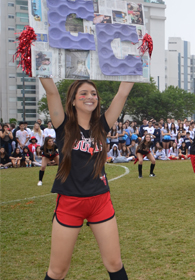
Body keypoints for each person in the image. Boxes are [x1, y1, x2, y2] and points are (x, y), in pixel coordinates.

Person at [39, 77, 133, 279]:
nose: (90, 97)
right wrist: (38, 57)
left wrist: (137, 58)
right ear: (72, 100)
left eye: (93, 93)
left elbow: (123, 92)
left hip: (100, 201)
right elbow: (52, 92)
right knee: (57, 271)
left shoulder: (102, 124)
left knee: (115, 263)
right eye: (83, 93)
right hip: (70, 202)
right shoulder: (63, 125)